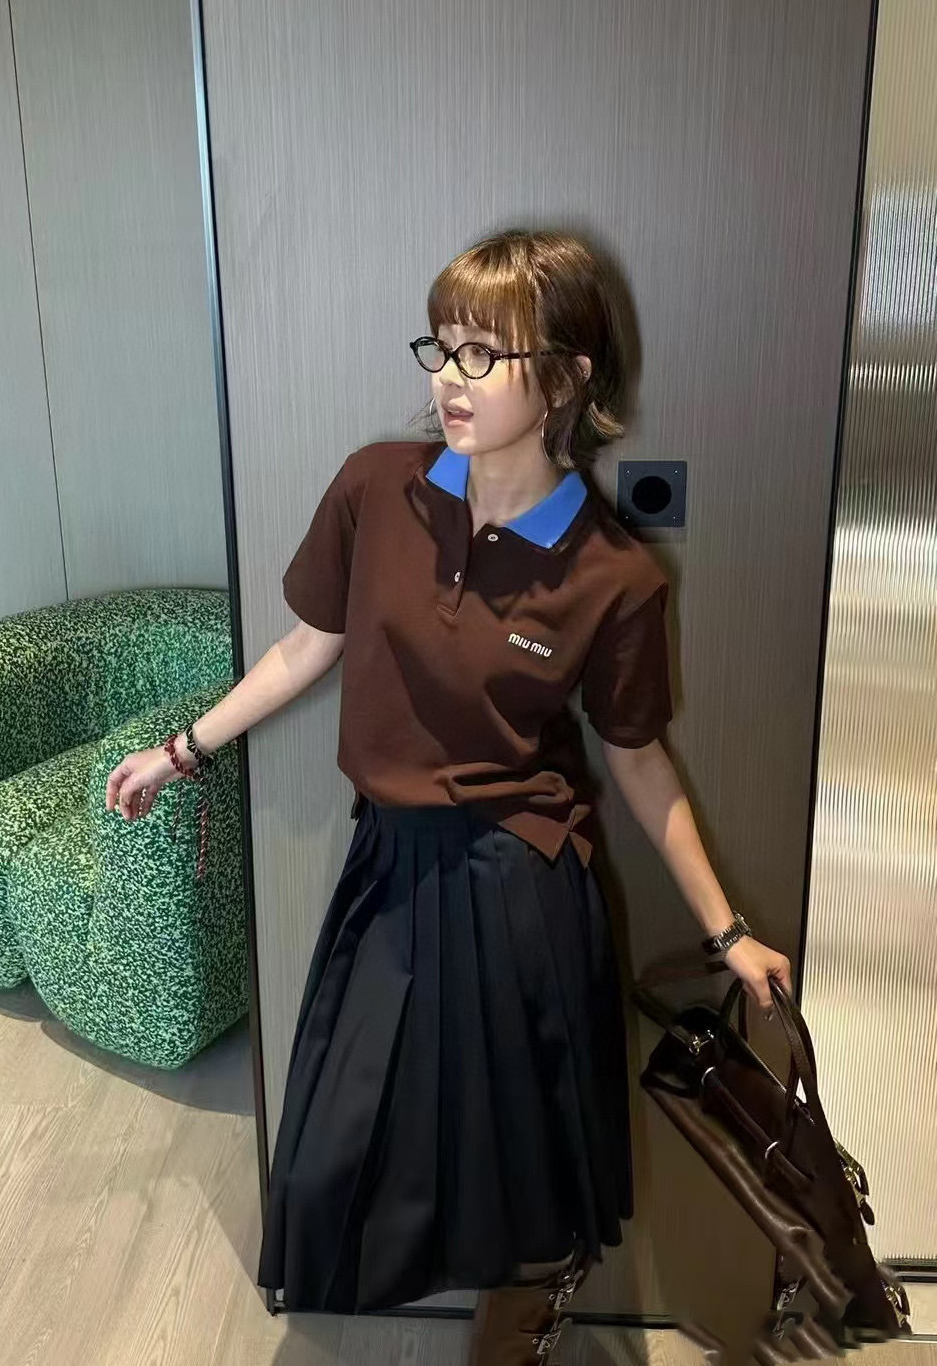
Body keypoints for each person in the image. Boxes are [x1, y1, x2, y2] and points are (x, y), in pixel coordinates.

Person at [105, 228, 793, 1364]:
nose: (450, 379)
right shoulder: (377, 487)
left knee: (517, 1162)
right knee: (339, 1145)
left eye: (485, 353)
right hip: (390, 867)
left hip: (522, 884)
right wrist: (181, 750)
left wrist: (728, 932)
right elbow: (306, 647)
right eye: (444, 346)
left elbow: (638, 759)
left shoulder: (613, 574)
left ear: (565, 379)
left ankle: (520, 1328)